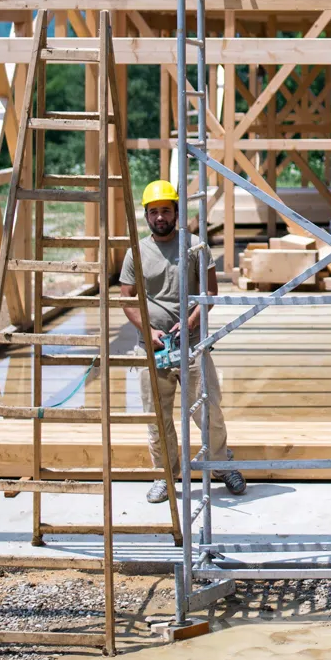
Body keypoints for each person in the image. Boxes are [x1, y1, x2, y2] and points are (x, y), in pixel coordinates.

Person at [118, 179, 245, 502]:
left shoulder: (194, 246)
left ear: (176, 212)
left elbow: (210, 292)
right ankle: (165, 475)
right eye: (154, 212)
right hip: (153, 349)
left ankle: (219, 464)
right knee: (157, 416)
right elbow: (127, 298)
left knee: (207, 410)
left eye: (166, 211)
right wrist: (149, 332)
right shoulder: (137, 251)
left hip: (192, 345)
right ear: (146, 216)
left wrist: (189, 323)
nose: (160, 217)